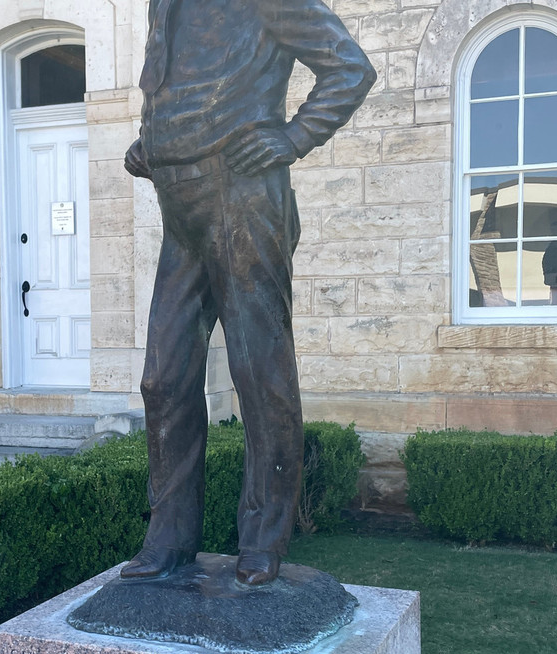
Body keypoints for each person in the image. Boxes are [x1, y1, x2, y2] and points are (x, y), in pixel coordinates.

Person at [120, 0, 376, 585]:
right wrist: (151, 142)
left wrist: (295, 137)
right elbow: (176, 82)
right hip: (177, 203)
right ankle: (169, 539)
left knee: (259, 371)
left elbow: (350, 68)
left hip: (243, 193)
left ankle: (263, 539)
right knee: (164, 378)